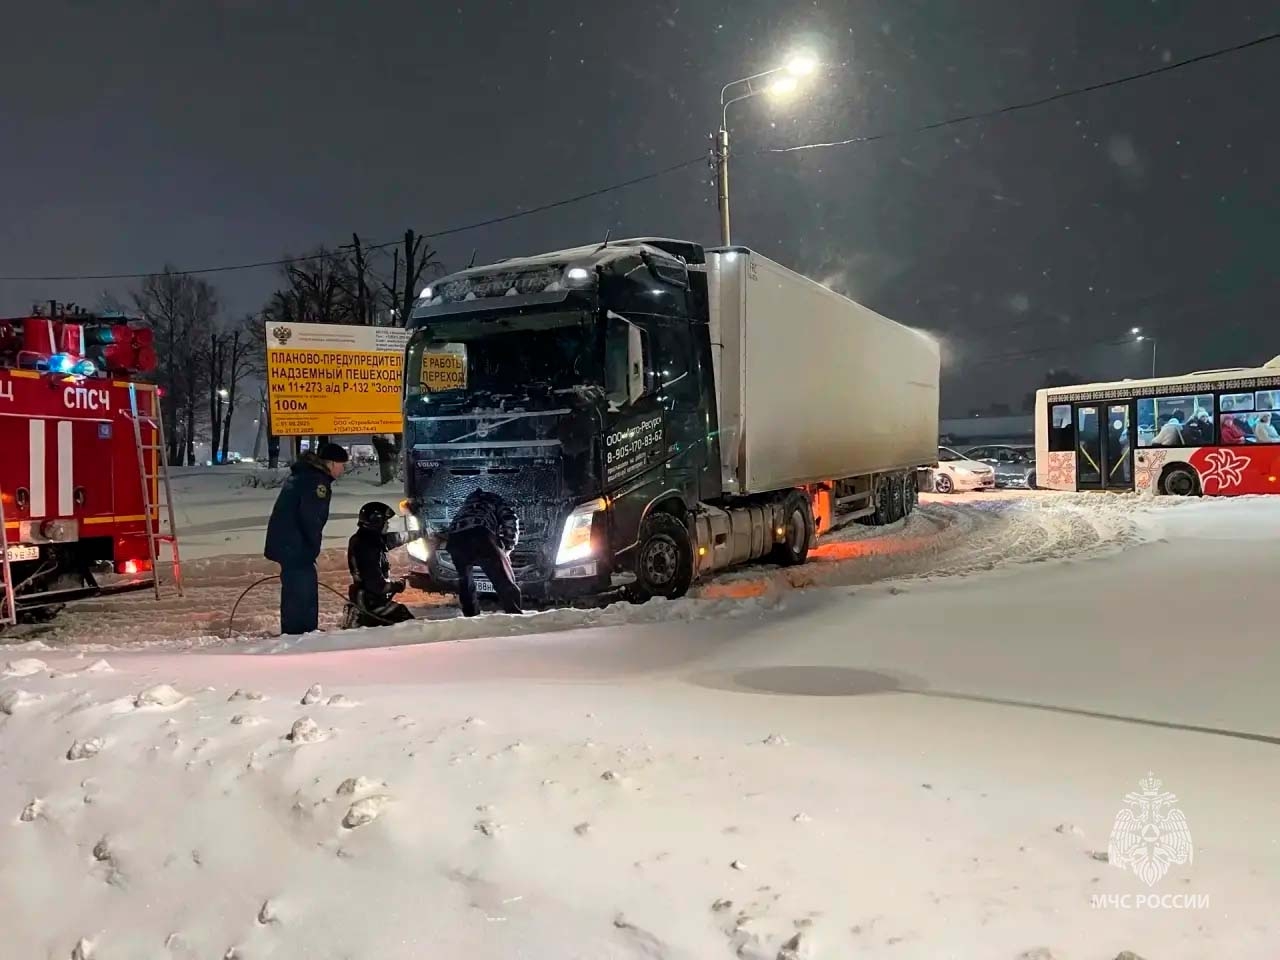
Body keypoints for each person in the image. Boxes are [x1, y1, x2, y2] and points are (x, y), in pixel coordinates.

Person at [264, 442, 349, 635]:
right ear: (331, 463)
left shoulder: (304, 475)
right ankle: (301, 632)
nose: (342, 469)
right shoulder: (317, 482)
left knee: (296, 588)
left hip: (287, 542)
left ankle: (297, 630)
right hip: (295, 545)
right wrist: (311, 547)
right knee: (302, 590)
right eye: (341, 465)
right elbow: (312, 517)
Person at [446, 488, 522, 617]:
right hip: (480, 535)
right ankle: (515, 615)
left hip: (455, 539)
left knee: (465, 581)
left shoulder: (467, 505)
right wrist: (508, 547)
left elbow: (454, 525)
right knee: (503, 579)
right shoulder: (495, 500)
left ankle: (471, 616)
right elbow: (510, 520)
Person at [343, 501, 414, 629]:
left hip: (365, 598)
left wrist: (422, 533)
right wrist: (397, 585)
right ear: (377, 522)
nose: (388, 525)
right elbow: (377, 586)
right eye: (386, 522)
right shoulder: (368, 547)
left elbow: (396, 538)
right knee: (406, 622)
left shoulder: (366, 538)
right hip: (370, 603)